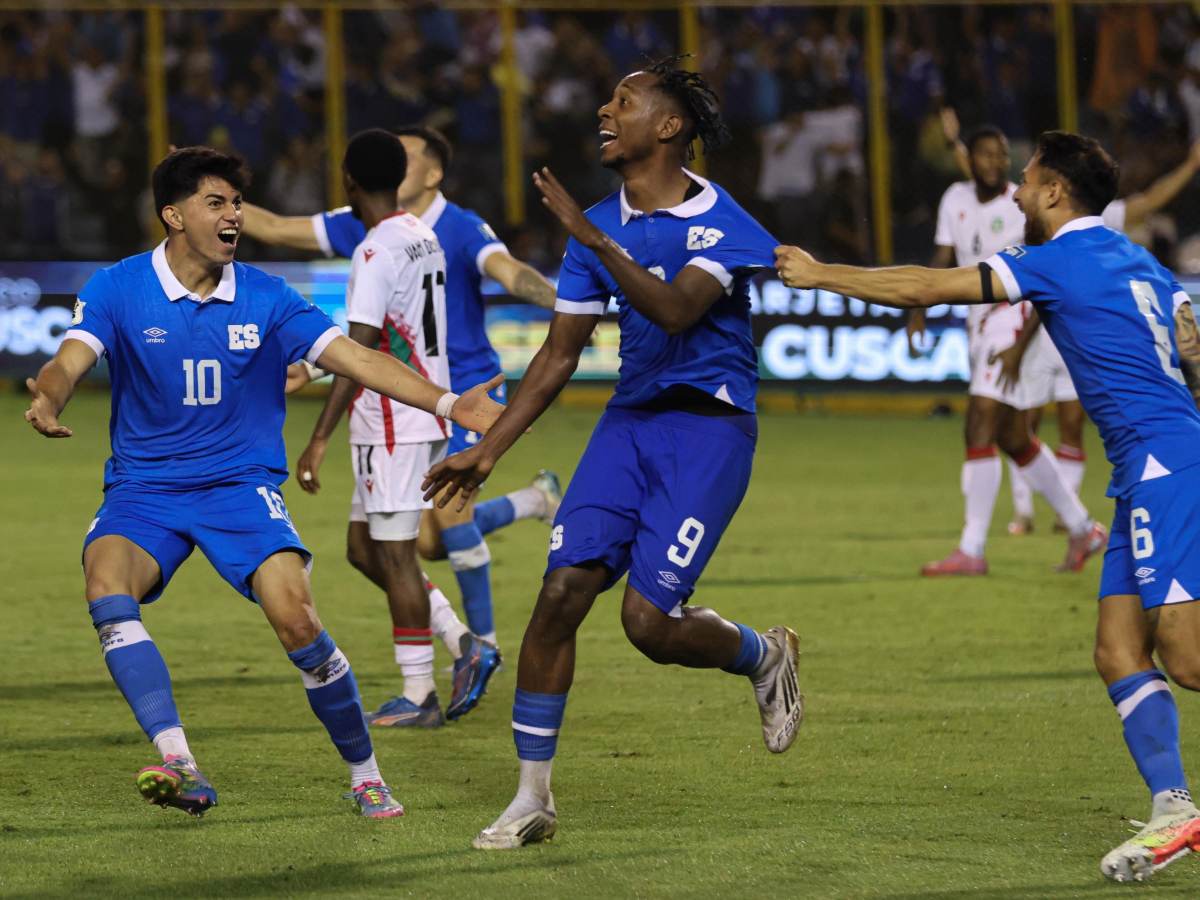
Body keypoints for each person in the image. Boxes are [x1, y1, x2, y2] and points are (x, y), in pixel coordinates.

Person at [23, 147, 502, 820]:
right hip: (145, 491)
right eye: (216, 203)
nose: (234, 215)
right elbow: (70, 359)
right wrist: (50, 396)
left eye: (237, 203)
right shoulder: (117, 288)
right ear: (174, 215)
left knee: (298, 622)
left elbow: (358, 357)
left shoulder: (268, 297)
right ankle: (179, 761)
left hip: (238, 490)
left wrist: (449, 404)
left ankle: (365, 774)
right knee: (106, 586)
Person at [776, 130, 1200, 883]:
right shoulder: (1140, 260)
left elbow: (923, 287)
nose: (1015, 193)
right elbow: (1194, 349)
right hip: (1153, 468)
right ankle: (1175, 808)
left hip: (1166, 468)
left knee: (1188, 658)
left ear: (1055, 193)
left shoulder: (1059, 258)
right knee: (1116, 650)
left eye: (1027, 181)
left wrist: (817, 274)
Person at [423, 58, 804, 850]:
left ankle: (763, 655)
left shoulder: (719, 220)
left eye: (623, 101)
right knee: (559, 594)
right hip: (628, 425)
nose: (605, 109)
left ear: (669, 127)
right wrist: (487, 452)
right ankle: (532, 800)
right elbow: (558, 358)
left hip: (709, 430)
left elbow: (672, 312)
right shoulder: (595, 224)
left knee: (648, 625)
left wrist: (592, 235)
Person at [244, 126, 561, 651]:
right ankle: (532, 503)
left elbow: (508, 271)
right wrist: (204, 198)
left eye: (409, 154)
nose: (398, 159)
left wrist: (559, 302)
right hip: (408, 392)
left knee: (448, 526)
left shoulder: (457, 227)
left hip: (467, 390)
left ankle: (480, 647)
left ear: (433, 172)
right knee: (421, 542)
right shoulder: (372, 225)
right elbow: (278, 229)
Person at [293, 129, 500, 727]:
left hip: (391, 419)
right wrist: (309, 366)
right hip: (416, 412)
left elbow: (360, 348)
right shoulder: (420, 234)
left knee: (396, 556)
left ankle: (419, 695)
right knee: (364, 551)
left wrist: (319, 436)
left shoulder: (375, 249)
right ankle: (465, 644)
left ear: (349, 182)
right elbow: (388, 331)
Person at [943, 110, 1200, 535]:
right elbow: (1189, 341)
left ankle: (983, 541)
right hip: (1147, 440)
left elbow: (1144, 205)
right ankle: (1067, 522)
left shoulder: (1067, 234)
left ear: (1054, 191)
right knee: (1015, 429)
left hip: (1033, 329)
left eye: (1009, 162)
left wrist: (1190, 167)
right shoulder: (963, 199)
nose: (1012, 184)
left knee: (1017, 422)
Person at [908, 124, 1105, 576]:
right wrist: (919, 304)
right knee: (1014, 437)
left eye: (1002, 155)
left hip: (1013, 320)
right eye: (987, 155)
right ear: (971, 159)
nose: (996, 162)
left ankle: (971, 550)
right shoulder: (954, 199)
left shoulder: (1023, 203)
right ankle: (1083, 529)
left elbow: (1045, 271)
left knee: (979, 421)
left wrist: (1019, 345)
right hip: (976, 323)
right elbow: (944, 257)